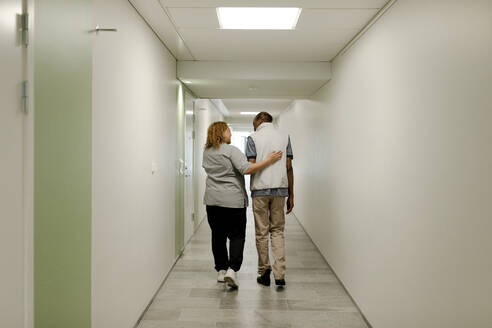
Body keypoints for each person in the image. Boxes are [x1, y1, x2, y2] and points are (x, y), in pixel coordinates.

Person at [202, 121, 283, 289]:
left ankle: (221, 271)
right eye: (228, 132)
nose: (230, 134)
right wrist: (269, 160)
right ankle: (233, 269)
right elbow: (246, 169)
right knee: (237, 236)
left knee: (218, 236)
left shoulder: (206, 152)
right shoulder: (231, 150)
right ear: (221, 133)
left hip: (212, 202)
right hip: (233, 202)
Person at [245, 112, 294, 287]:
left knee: (262, 232)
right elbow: (288, 166)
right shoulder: (285, 136)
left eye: (254, 123)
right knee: (278, 231)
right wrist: (291, 193)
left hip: (260, 190)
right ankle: (280, 275)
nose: (253, 126)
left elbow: (251, 164)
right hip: (280, 190)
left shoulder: (252, 137)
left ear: (259, 120)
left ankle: (264, 272)